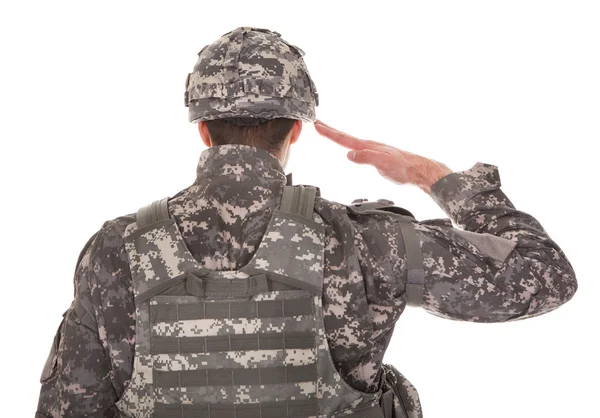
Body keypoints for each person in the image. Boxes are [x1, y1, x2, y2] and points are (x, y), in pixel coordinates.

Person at [35, 27, 578, 418]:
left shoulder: (114, 251)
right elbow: (546, 276)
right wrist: (433, 175)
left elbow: (71, 406)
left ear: (202, 130)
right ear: (296, 129)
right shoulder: (367, 242)